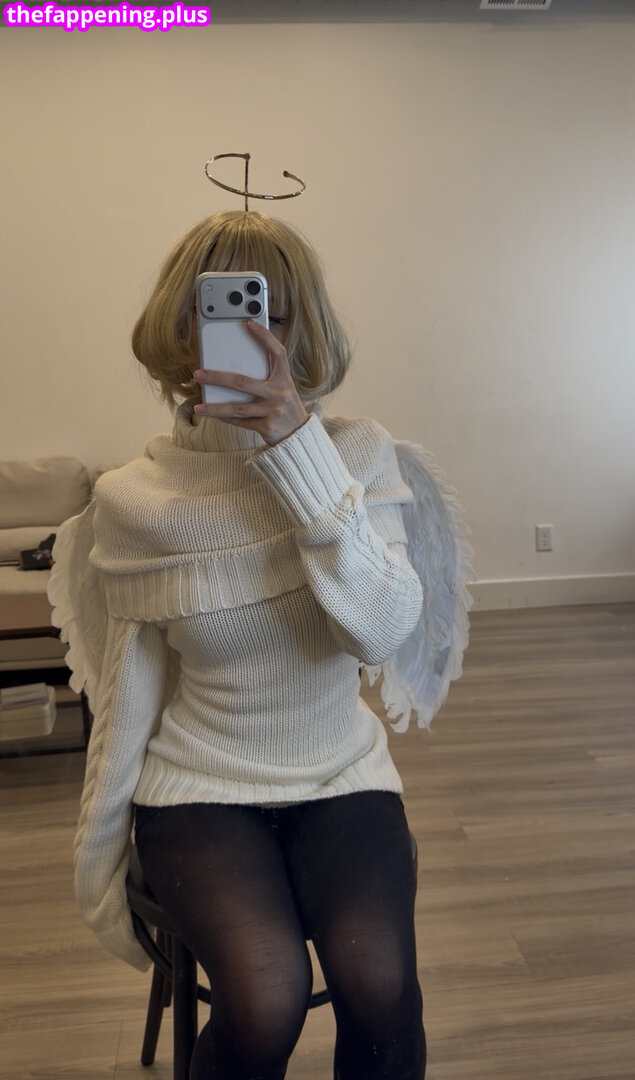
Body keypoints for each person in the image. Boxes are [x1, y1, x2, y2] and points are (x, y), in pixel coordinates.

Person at [49, 210, 428, 1080]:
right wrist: (99, 841)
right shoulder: (132, 498)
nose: (245, 333)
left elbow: (378, 629)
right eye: (214, 310)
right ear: (179, 331)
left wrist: (298, 453)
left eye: (269, 312)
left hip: (340, 771)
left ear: (304, 330)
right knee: (263, 998)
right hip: (200, 786)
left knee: (380, 986)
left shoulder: (359, 456)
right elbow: (129, 687)